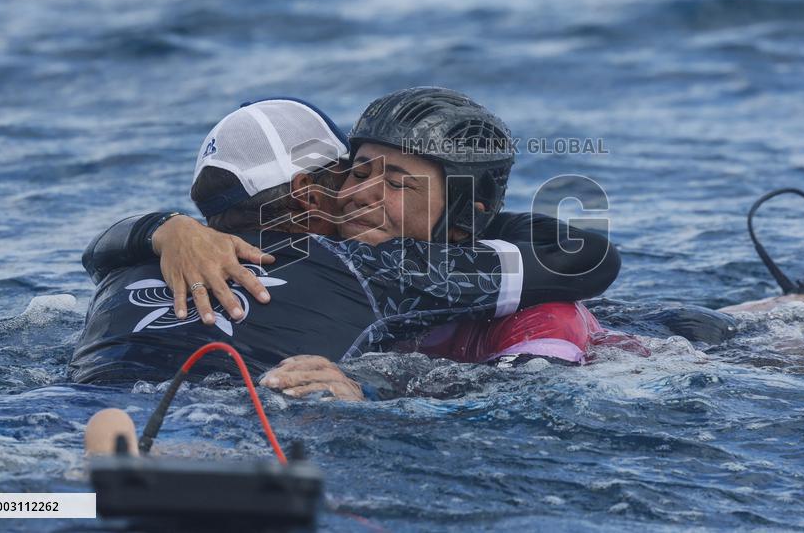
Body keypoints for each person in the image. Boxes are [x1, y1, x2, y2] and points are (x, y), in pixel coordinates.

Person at [70, 91, 621, 393]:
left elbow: (97, 253)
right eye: (353, 173)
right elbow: (584, 256)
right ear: (312, 190)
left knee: (14, 504)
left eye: (396, 182)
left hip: (49, 412)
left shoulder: (126, 268)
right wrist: (367, 402)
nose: (362, 194)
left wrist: (163, 228)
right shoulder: (372, 268)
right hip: (221, 427)